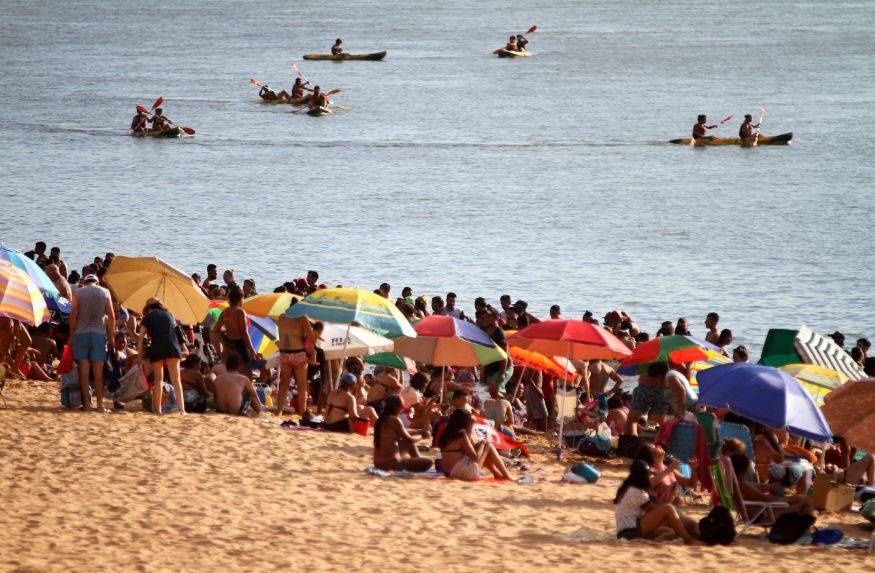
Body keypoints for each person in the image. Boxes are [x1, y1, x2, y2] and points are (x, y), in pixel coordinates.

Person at [613, 461, 700, 544]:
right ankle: (688, 540)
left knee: (670, 532)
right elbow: (660, 512)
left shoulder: (625, 486)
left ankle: (653, 543)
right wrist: (672, 498)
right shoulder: (636, 492)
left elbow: (692, 484)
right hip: (630, 530)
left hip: (625, 529)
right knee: (669, 509)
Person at [68, 274, 114, 412]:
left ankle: (87, 405)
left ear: (84, 282)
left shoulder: (78, 292)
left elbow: (72, 315)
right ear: (97, 282)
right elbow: (111, 316)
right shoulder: (105, 292)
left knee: (84, 372)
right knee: (98, 373)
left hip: (81, 334)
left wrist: (72, 335)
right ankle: (100, 406)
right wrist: (111, 336)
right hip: (99, 334)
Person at [136, 298, 186, 415]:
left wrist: (139, 356)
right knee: (176, 380)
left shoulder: (147, 317)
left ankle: (158, 410)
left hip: (157, 348)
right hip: (172, 347)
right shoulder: (169, 314)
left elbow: (140, 338)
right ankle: (182, 410)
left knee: (158, 380)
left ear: (148, 308)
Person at [438, 409, 512, 481]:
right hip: (462, 473)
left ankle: (496, 473)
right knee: (488, 445)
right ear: (464, 421)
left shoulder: (447, 434)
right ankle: (506, 476)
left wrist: (472, 432)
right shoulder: (462, 434)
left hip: (448, 473)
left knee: (481, 446)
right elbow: (475, 458)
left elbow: (471, 448)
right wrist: (484, 443)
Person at [730, 454, 814, 516]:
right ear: (744, 469)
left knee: (801, 499)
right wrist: (788, 499)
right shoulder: (743, 484)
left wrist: (769, 487)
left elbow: (755, 488)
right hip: (762, 515)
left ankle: (800, 528)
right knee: (804, 501)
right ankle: (803, 530)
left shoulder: (738, 483)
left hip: (760, 512)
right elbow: (764, 498)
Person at [275, 299, 315, 417]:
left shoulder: (281, 317)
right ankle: (302, 412)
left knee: (284, 384)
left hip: (284, 353)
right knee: (302, 386)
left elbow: (276, 334)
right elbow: (311, 336)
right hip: (298, 353)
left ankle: (279, 411)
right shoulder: (302, 318)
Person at [373, 395, 432, 472]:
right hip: (389, 463)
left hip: (378, 462)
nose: (402, 410)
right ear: (396, 408)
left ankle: (417, 459)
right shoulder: (394, 420)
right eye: (401, 408)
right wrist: (422, 435)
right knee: (428, 463)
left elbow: (404, 431)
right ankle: (418, 459)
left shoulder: (381, 420)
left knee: (407, 442)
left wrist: (419, 431)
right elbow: (409, 439)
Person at [211, 285, 258, 367]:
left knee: (230, 368)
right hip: (239, 344)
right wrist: (252, 350)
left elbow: (216, 329)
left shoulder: (225, 311)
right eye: (242, 298)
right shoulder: (240, 312)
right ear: (240, 299)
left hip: (228, 343)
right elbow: (244, 333)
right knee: (246, 370)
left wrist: (227, 330)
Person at [624, 362, 673, 436]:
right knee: (656, 422)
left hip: (645, 387)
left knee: (632, 421)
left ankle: (630, 443)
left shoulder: (646, 353)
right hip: (662, 390)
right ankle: (656, 444)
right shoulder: (669, 353)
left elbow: (635, 370)